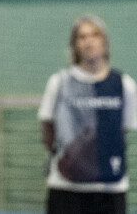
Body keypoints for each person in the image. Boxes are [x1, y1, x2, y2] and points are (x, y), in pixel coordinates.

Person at [40, 15, 137, 214]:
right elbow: (47, 131)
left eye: (94, 35)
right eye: (82, 37)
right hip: (65, 188)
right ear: (74, 45)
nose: (88, 41)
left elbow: (122, 132)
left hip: (110, 189)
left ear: (105, 42)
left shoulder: (124, 85)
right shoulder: (59, 83)